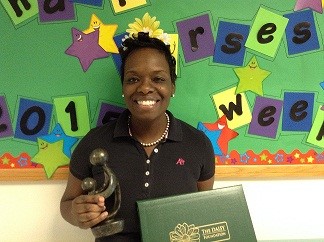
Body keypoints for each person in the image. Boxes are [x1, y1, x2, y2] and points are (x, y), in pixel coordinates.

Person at [60, 32, 215, 242]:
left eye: (158, 78)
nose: (144, 88)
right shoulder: (95, 143)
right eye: (133, 79)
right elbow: (67, 203)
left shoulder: (198, 144)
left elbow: (206, 213)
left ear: (172, 87)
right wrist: (76, 214)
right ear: (123, 88)